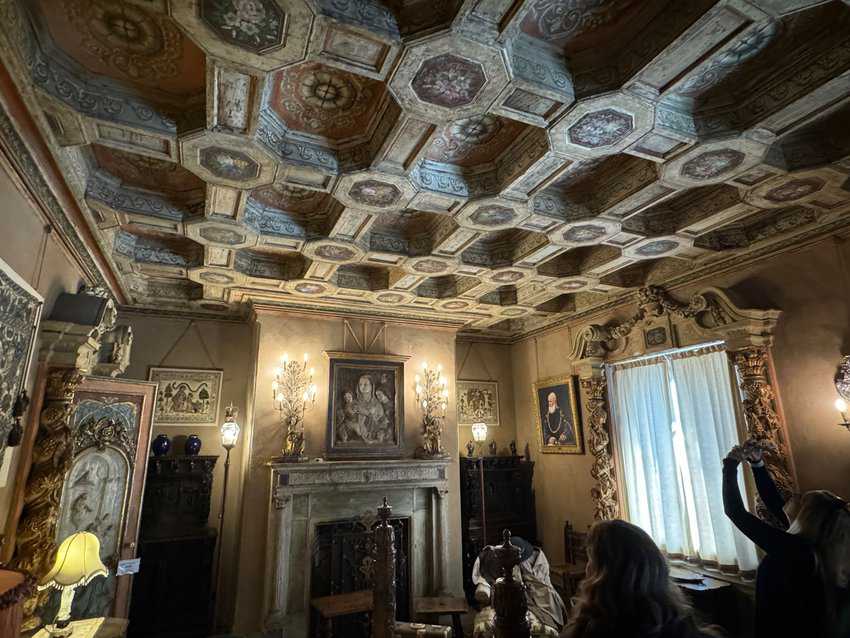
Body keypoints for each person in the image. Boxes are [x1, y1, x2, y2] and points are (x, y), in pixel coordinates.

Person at [723, 439, 850, 638]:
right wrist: (757, 464)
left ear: (807, 516)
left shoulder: (795, 550)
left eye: (801, 500)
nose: (794, 499)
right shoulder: (818, 546)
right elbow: (775, 502)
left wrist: (730, 465)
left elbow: (735, 512)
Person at [561, 520, 720, 638]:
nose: (586, 567)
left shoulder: (589, 631)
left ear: (602, 575)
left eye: (590, 559)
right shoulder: (686, 627)